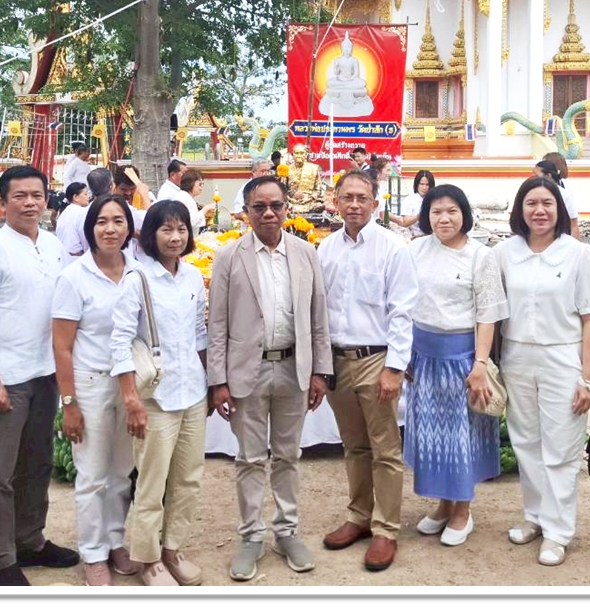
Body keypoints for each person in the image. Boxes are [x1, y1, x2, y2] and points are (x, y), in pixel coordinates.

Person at [207, 176, 332, 581]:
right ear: (246, 211)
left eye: (275, 205)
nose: (268, 213)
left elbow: (318, 317)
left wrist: (320, 371)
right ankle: (250, 536)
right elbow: (218, 324)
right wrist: (218, 380)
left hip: (294, 370)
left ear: (286, 208)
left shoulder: (305, 253)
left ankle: (287, 531)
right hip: (248, 372)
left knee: (288, 456)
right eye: (259, 207)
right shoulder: (229, 257)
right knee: (248, 459)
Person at [0, 164, 78, 586]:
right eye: (20, 196)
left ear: (47, 200)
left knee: (38, 463)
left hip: (45, 372)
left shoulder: (52, 246)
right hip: (6, 377)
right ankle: (0, 558)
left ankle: (30, 540)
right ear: (2, 203)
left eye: (37, 195)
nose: (30, 203)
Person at [493, 176, 590, 566]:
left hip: (562, 357)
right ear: (520, 210)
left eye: (547, 204)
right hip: (517, 355)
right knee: (526, 442)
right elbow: (491, 309)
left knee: (561, 447)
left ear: (558, 209)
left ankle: (558, 531)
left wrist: (587, 377)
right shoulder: (505, 253)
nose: (539, 211)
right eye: (531, 204)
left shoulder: (578, 254)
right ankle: (534, 517)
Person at [317, 171, 418, 572]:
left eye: (362, 197)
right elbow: (320, 309)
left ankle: (386, 528)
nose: (355, 204)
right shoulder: (325, 249)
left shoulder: (393, 248)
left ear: (376, 203)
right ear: (336, 202)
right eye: (347, 197)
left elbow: (402, 312)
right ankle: (359, 516)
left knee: (385, 449)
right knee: (354, 446)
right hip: (339, 361)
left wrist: (394, 368)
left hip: (378, 360)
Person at [110, 200, 209, 587]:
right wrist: (130, 398)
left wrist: (210, 382)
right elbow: (119, 341)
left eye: (181, 229)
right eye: (166, 229)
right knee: (152, 482)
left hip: (192, 393)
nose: (175, 237)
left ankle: (173, 549)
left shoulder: (192, 278)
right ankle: (148, 559)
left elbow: (199, 334)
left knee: (188, 479)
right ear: (151, 235)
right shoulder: (137, 279)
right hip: (156, 397)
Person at [404, 184, 507, 548]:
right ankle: (444, 504)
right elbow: (403, 304)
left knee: (460, 438)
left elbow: (488, 314)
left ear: (464, 213)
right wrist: (405, 356)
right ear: (426, 215)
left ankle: (463, 509)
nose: (443, 218)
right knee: (432, 436)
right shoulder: (415, 250)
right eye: (435, 211)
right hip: (423, 357)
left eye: (451, 211)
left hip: (462, 359)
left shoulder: (480, 256)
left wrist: (480, 363)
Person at [51, 195, 141, 586]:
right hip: (89, 383)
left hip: (130, 386)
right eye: (101, 221)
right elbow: (61, 345)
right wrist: (69, 402)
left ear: (128, 228)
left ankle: (115, 541)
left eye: (118, 221)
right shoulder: (74, 277)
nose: (110, 229)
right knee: (91, 474)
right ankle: (92, 553)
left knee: (122, 471)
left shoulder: (138, 271)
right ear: (90, 229)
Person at [318, 33, 375, 117]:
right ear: (342, 48)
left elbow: (356, 74)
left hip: (351, 81)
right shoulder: (338, 60)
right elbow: (336, 73)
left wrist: (350, 79)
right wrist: (337, 69)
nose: (347, 50)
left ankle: (346, 90)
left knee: (362, 83)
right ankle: (343, 89)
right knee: (330, 82)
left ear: (351, 49)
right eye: (345, 48)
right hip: (340, 80)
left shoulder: (354, 60)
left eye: (349, 48)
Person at [534, 158, 579, 240]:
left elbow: (574, 225)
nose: (534, 179)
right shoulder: (532, 194)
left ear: (548, 176)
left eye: (536, 176)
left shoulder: (566, 196)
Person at [389, 170, 433, 238]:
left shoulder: (435, 199)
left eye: (427, 185)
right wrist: (418, 216)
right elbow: (405, 222)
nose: (424, 188)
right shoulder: (409, 200)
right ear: (417, 184)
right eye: (421, 184)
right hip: (416, 236)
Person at [172, 168, 216, 233]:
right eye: (199, 184)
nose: (201, 187)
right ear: (191, 183)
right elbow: (192, 221)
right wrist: (205, 209)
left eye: (202, 184)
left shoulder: (184, 196)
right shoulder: (186, 198)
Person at [231, 158, 273, 223]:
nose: (267, 174)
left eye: (268, 171)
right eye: (263, 171)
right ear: (254, 172)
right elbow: (237, 213)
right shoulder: (246, 189)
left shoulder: (273, 187)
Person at [55, 182, 91, 258]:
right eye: (85, 194)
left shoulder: (65, 211)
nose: (88, 197)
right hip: (76, 256)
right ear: (76, 197)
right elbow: (85, 237)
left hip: (62, 255)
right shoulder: (81, 212)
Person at [114, 167, 149, 234]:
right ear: (114, 186)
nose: (128, 193)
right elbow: (149, 219)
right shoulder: (112, 204)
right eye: (123, 189)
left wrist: (144, 196)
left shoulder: (146, 196)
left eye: (132, 189)